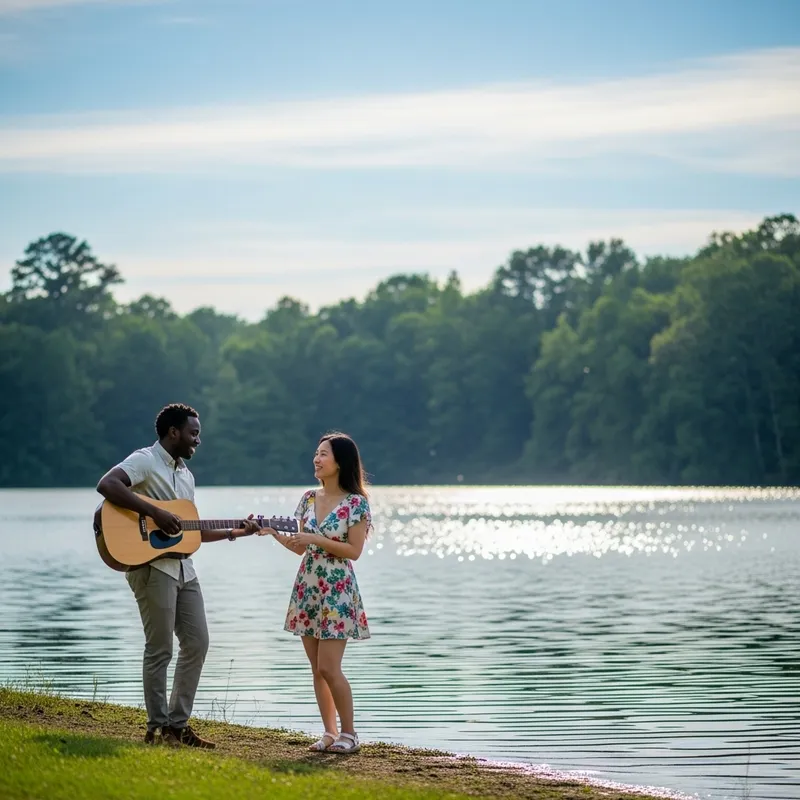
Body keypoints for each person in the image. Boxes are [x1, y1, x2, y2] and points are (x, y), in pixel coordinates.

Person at [96, 402, 259, 748]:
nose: (198, 440)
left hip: (185, 568)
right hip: (152, 567)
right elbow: (107, 485)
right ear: (174, 432)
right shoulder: (144, 460)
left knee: (198, 642)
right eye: (193, 433)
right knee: (160, 650)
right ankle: (156, 729)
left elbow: (187, 529)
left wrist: (237, 531)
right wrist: (154, 511)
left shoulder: (186, 475)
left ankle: (177, 726)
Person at [262, 432, 372, 754]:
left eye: (323, 454)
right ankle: (329, 732)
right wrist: (273, 533)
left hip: (337, 589)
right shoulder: (309, 498)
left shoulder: (356, 503)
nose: (317, 459)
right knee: (316, 668)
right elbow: (300, 547)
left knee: (329, 667)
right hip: (308, 586)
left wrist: (316, 540)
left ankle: (349, 735)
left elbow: (353, 551)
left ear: (340, 462)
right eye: (316, 453)